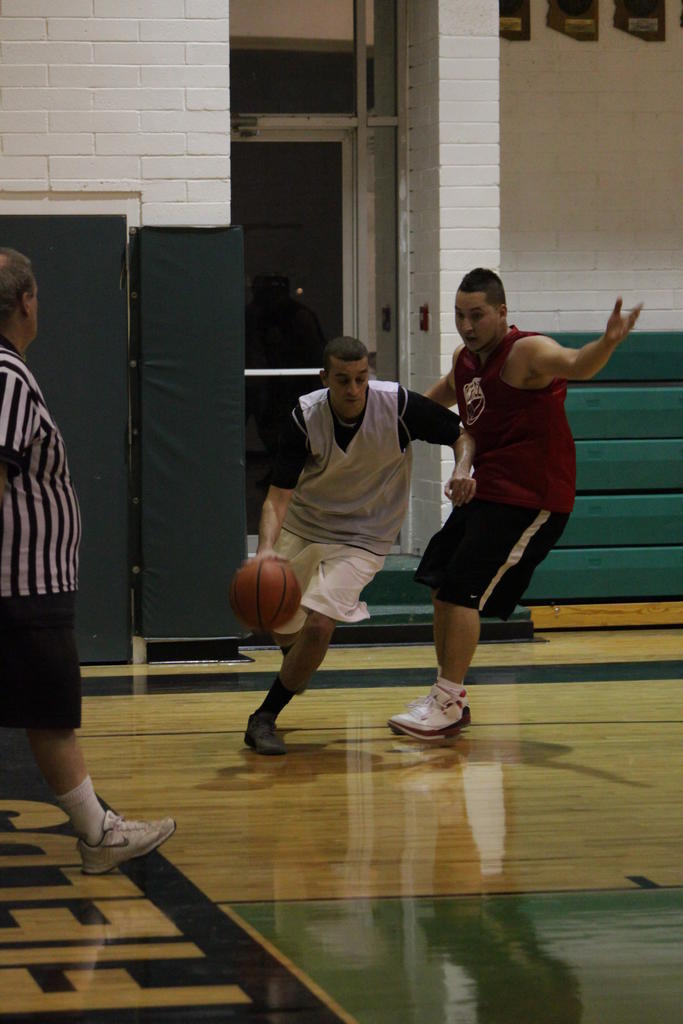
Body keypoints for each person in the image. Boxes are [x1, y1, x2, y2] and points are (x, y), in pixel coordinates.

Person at [388, 267, 643, 740]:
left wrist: (606, 343)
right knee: (440, 581)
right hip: (488, 491)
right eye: (460, 315)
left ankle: (447, 700)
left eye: (477, 315)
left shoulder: (527, 352)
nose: (467, 326)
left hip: (532, 497)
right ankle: (448, 697)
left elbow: (577, 362)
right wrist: (392, 420)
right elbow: (437, 398)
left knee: (462, 589)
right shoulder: (465, 359)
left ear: (502, 312)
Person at [0, 248, 175, 873]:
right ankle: (99, 837)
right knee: (51, 713)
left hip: (24, 582)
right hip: (20, 585)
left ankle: (98, 832)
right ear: (26, 302)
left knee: (44, 712)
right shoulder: (6, 375)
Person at [244, 335, 467, 754]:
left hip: (365, 536)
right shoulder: (304, 416)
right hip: (305, 525)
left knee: (319, 625)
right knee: (279, 622)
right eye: (343, 380)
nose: (353, 389)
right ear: (324, 378)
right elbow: (277, 497)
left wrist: (463, 468)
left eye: (361, 378)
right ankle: (295, 662)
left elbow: (461, 434)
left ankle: (264, 716)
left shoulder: (397, 406)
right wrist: (266, 550)